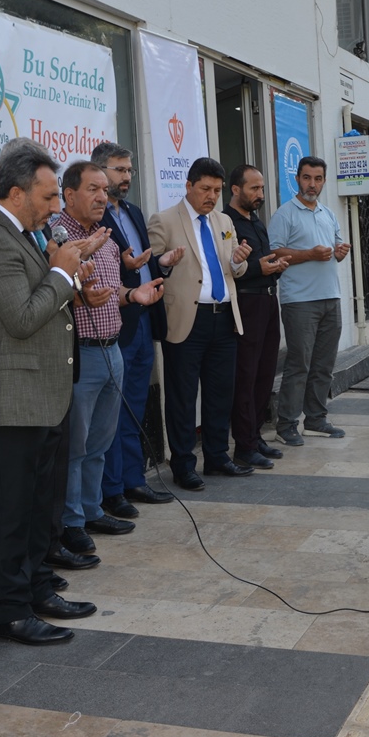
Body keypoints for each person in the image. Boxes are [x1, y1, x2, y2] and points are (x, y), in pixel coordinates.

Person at [0, 137, 107, 645]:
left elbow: (43, 298)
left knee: (41, 506)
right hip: (9, 401)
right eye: (48, 198)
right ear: (17, 193)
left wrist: (67, 264)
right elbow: (21, 317)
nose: (55, 208)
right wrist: (62, 270)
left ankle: (39, 587)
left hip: (43, 395)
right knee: (12, 511)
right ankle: (11, 611)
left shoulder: (24, 232)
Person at [57, 161, 164, 543]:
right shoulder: (58, 238)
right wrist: (78, 291)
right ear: (69, 194)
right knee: (75, 446)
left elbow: (112, 292)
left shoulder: (106, 236)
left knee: (101, 442)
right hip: (81, 356)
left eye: (105, 190)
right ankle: (71, 523)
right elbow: (52, 291)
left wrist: (133, 294)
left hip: (112, 350)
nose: (103, 197)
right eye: (93, 190)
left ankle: (92, 509)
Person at [147, 157, 253, 490]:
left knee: (221, 393)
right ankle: (182, 465)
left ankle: (218, 457)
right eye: (205, 189)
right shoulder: (164, 221)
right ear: (189, 186)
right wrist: (163, 265)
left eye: (217, 190)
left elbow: (235, 268)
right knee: (182, 396)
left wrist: (238, 263)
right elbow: (148, 269)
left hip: (223, 318)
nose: (211, 196)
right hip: (186, 321)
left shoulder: (224, 220)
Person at [93, 143, 176, 518]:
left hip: (142, 320)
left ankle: (132, 479)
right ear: (98, 172)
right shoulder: (93, 219)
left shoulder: (134, 211)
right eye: (119, 170)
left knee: (135, 408)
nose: (126, 177)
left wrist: (161, 263)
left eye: (129, 170)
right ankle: (111, 491)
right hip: (114, 323)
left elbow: (139, 264)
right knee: (112, 411)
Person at [269, 156, 350, 447]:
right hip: (300, 301)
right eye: (306, 178)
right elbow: (274, 255)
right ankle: (286, 424)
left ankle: (315, 420)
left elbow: (337, 247)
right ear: (297, 179)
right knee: (299, 364)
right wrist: (309, 255)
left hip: (331, 296)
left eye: (317, 179)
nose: (311, 184)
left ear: (324, 181)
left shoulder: (328, 213)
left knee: (324, 364)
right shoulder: (284, 214)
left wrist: (341, 250)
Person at [227, 165, 289, 468]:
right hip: (246, 305)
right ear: (236, 189)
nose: (260, 195)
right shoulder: (227, 223)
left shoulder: (256, 221)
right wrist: (258, 269)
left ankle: (255, 435)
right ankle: (243, 445)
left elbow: (263, 262)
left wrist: (275, 266)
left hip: (267, 302)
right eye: (254, 189)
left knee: (265, 373)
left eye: (262, 189)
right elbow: (230, 269)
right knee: (246, 375)